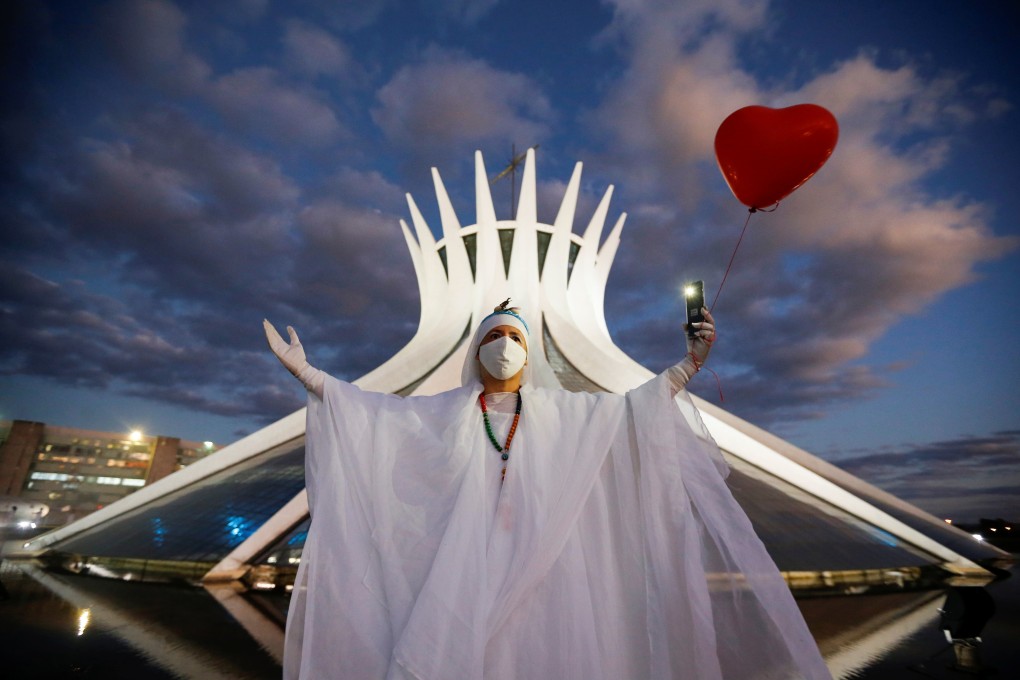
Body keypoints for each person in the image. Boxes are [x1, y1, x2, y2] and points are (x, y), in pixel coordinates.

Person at [264, 302, 831, 680]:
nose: (505, 345)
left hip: (547, 576)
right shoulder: (445, 414)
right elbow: (380, 420)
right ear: (476, 350)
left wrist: (689, 364)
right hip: (465, 572)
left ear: (529, 353)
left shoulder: (564, 412)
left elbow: (633, 413)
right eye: (494, 336)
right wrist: (311, 377)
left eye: (515, 337)